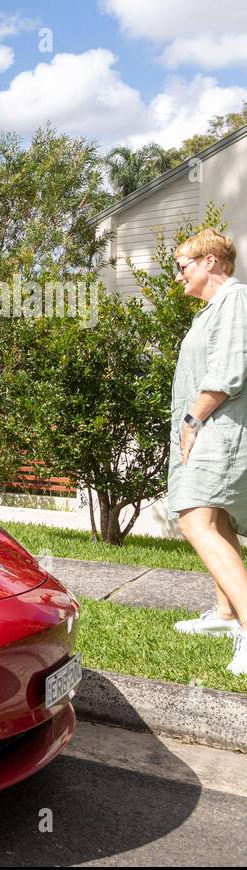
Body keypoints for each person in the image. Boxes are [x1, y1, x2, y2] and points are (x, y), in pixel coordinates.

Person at [168, 228, 247, 675]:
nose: (178, 277)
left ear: (210, 262)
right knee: (216, 518)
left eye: (182, 267)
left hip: (217, 426)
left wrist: (194, 419)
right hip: (204, 425)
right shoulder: (209, 310)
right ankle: (225, 614)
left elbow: (228, 369)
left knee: (195, 519)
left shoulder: (235, 299)